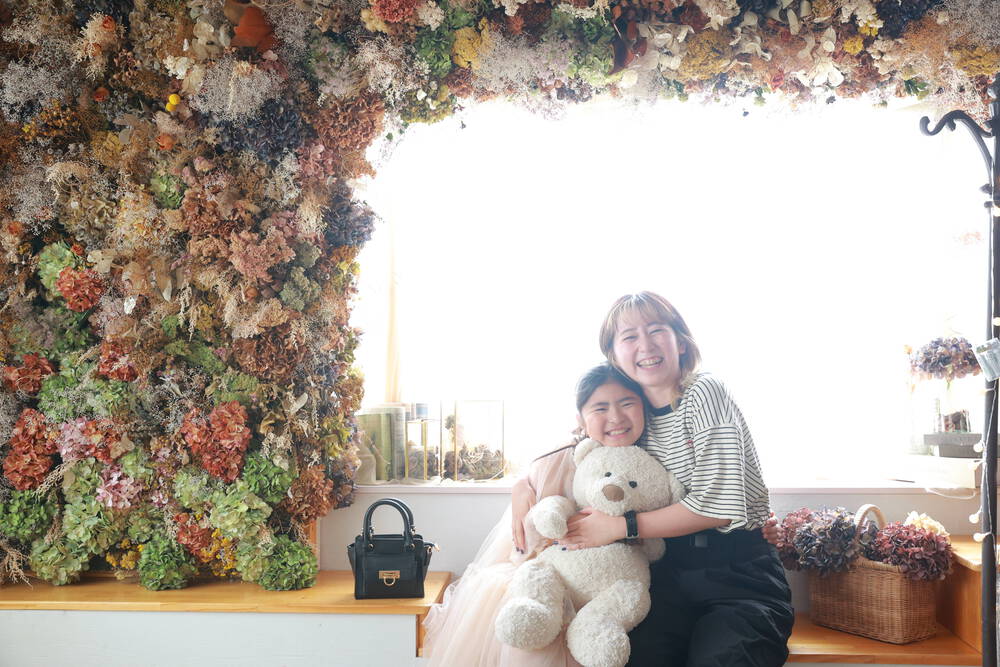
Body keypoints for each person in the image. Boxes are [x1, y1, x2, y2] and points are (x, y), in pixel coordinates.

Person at [558, 291, 794, 666]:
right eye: (629, 336)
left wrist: (621, 526)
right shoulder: (630, 416)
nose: (646, 345)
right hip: (666, 574)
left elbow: (717, 508)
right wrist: (524, 486)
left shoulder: (703, 392)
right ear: (614, 356)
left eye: (656, 330)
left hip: (738, 576)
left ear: (680, 342)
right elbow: (579, 447)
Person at [421, 363, 650, 667]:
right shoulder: (559, 460)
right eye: (600, 408)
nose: (616, 417)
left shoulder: (652, 457)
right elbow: (530, 544)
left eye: (627, 403)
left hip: (620, 590)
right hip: (555, 582)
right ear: (580, 419)